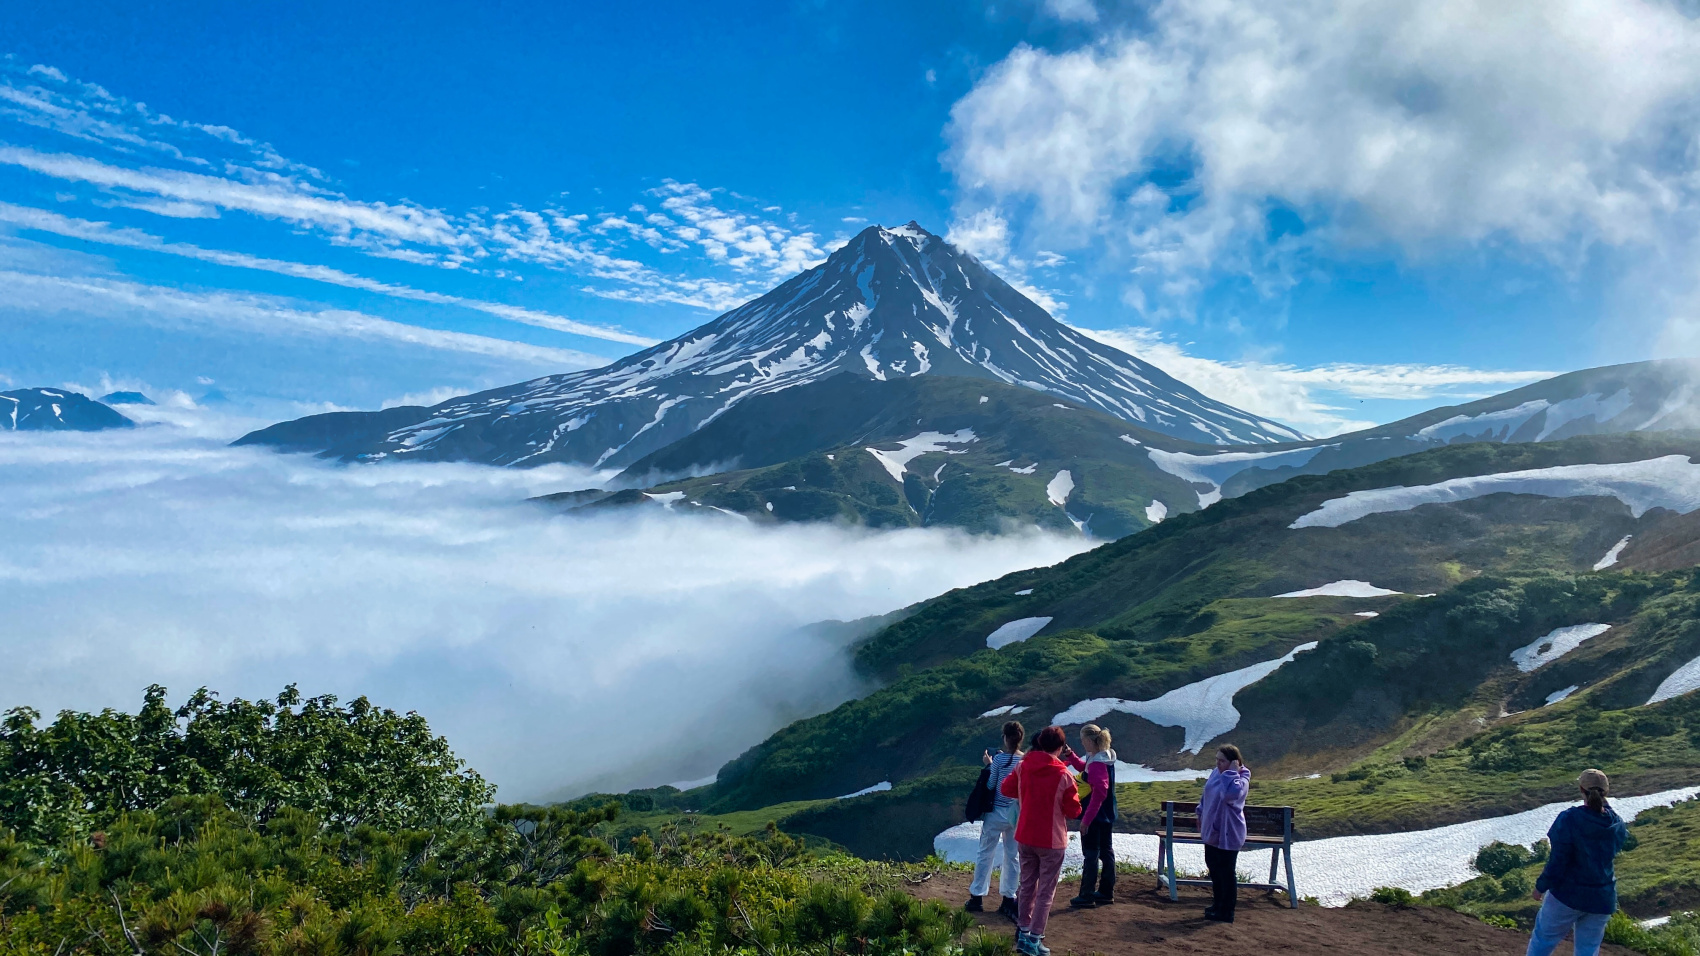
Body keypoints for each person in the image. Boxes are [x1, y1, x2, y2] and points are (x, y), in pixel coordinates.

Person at [1526, 769, 1629, 956]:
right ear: (1607, 792)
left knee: (1543, 941)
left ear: (1581, 789)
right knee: (1587, 950)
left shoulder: (1569, 819)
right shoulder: (1617, 824)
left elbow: (1558, 859)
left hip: (1567, 895)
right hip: (1602, 899)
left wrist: (1541, 886)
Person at [1001, 725, 1082, 956]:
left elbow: (1007, 789)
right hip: (1052, 840)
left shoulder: (1023, 766)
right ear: (1059, 747)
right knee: (1046, 891)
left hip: (1025, 836)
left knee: (1027, 886)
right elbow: (1074, 810)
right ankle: (1035, 940)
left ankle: (1023, 934)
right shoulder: (1064, 774)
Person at [966, 720, 1025, 919]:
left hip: (996, 811)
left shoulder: (1000, 761)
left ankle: (977, 897)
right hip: (1015, 814)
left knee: (986, 852)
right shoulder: (1024, 761)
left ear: (1006, 739)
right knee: (1013, 855)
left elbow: (991, 786)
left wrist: (990, 765)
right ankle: (1009, 898)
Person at [1197, 744, 1250, 923]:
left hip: (1229, 832)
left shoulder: (1242, 777)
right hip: (1212, 831)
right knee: (1214, 868)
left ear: (1234, 762)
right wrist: (1200, 812)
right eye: (1217, 760)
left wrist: (1231, 772)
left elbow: (1231, 795)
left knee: (1227, 872)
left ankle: (1227, 911)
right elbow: (1207, 794)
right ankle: (1217, 905)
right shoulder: (1215, 772)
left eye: (1222, 761)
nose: (1218, 764)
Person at [1068, 724, 1118, 908]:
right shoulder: (1104, 757)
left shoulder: (1097, 763)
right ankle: (1106, 891)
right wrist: (1071, 756)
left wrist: (1086, 821)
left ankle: (1086, 894)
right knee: (1106, 851)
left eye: (1083, 740)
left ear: (1089, 741)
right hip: (1107, 814)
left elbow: (1099, 792)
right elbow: (1085, 769)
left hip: (1094, 815)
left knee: (1090, 854)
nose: (1082, 744)